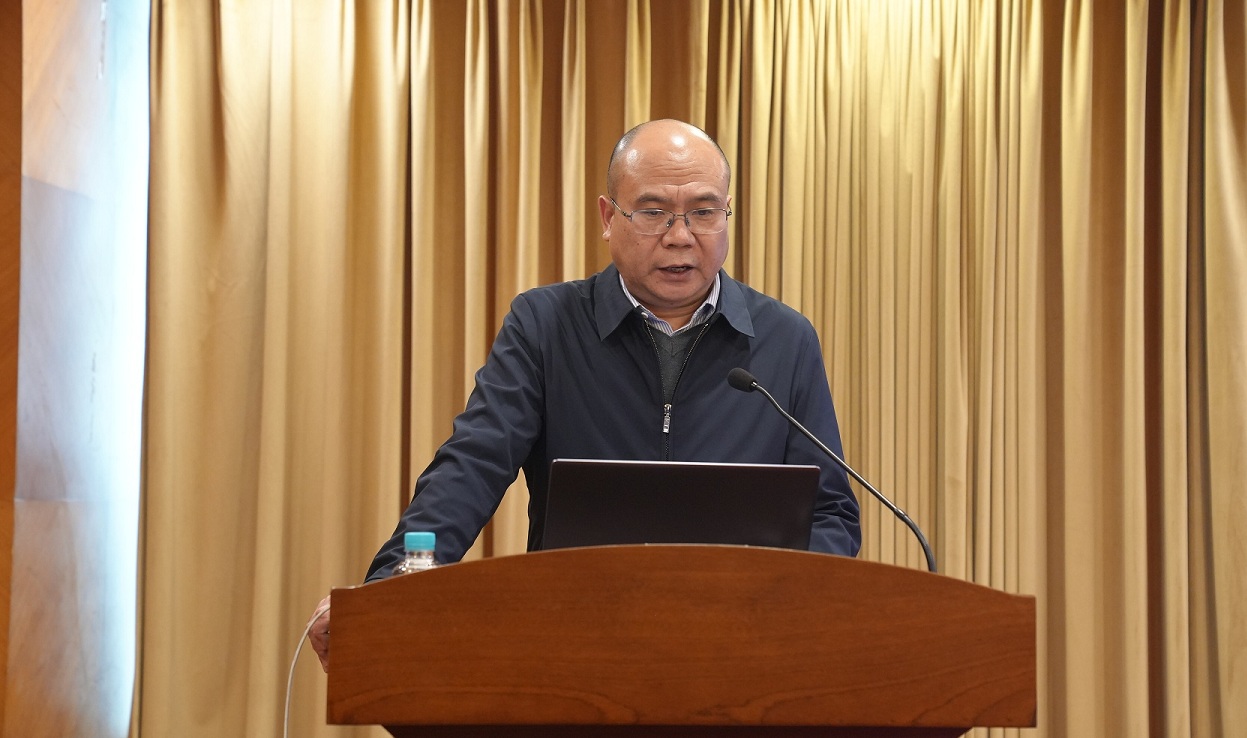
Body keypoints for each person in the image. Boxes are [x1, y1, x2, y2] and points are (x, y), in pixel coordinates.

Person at [308, 119, 860, 670]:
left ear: (727, 213)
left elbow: (831, 512)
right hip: (575, 647)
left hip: (739, 650)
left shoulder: (784, 339)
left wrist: (776, 606)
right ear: (607, 217)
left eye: (703, 211)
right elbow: (471, 468)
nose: (680, 235)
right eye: (653, 212)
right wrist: (390, 590)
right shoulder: (546, 325)